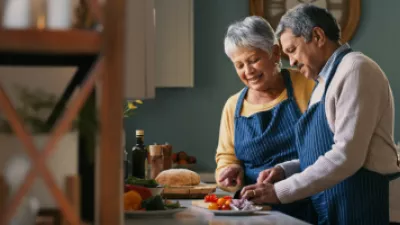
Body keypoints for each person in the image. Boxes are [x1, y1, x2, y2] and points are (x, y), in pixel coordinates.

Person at [240, 4, 400, 225]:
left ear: (317, 36)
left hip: (367, 206)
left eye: (292, 50)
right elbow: (323, 152)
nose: (292, 62)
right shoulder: (323, 83)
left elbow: (346, 156)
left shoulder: (356, 70)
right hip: (337, 205)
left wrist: (280, 191)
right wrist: (284, 170)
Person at [215, 16, 316, 223]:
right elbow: (226, 157)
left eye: (253, 60)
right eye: (239, 65)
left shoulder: (307, 85)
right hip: (253, 212)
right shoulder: (233, 105)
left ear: (275, 52)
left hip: (307, 206)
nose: (248, 71)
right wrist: (230, 171)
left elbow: (323, 150)